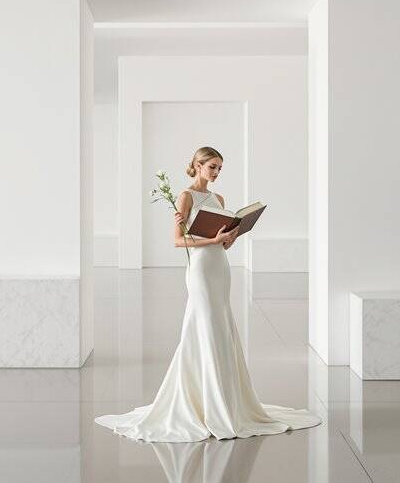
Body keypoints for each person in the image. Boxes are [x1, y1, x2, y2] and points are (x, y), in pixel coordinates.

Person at [95, 146, 321, 442]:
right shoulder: (185, 196)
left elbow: (222, 242)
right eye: (212, 167)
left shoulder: (219, 199)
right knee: (203, 325)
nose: (216, 173)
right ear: (198, 166)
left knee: (221, 323)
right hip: (200, 269)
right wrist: (212, 239)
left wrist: (228, 239)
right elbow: (178, 241)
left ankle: (224, 397)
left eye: (219, 169)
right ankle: (201, 399)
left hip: (219, 266)